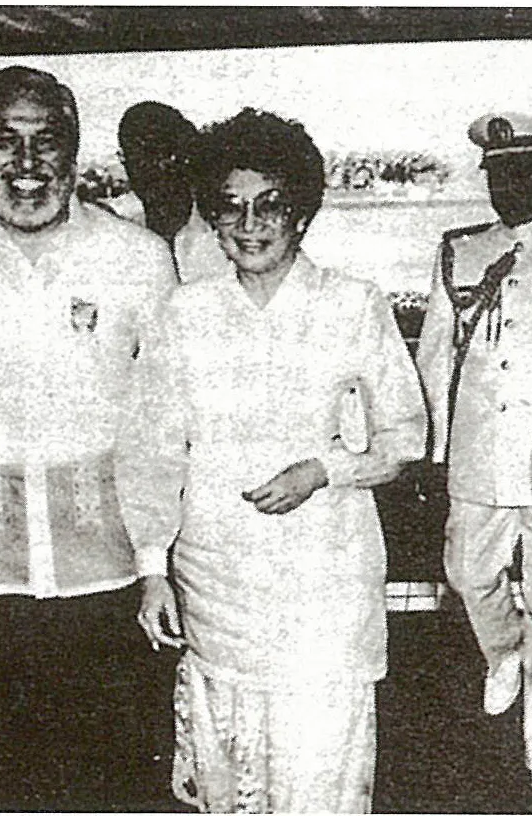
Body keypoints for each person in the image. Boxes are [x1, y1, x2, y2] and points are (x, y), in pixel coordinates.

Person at [116, 107, 427, 813]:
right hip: (216, 583)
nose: (250, 226)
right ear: (212, 217)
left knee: (318, 773)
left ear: (302, 213)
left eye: (270, 207)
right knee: (230, 780)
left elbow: (406, 435)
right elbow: (150, 452)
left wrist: (321, 471)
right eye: (230, 209)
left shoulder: (353, 304)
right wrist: (150, 571)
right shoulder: (183, 314)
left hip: (324, 587)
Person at [0, 66, 178, 810]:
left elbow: (166, 414)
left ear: (74, 153)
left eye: (45, 143)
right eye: (5, 143)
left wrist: (158, 557)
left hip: (111, 569)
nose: (25, 165)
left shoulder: (139, 257)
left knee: (113, 768)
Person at [414, 111, 532, 796]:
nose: (507, 184)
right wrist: (432, 455)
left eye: (522, 170)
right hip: (478, 456)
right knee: (467, 573)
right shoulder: (458, 250)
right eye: (497, 172)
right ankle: (502, 651)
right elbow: (437, 358)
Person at [104, 100, 230, 283]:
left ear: (186, 157)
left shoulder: (225, 238)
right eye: (138, 155)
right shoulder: (119, 238)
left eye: (165, 153)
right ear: (124, 160)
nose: (156, 166)